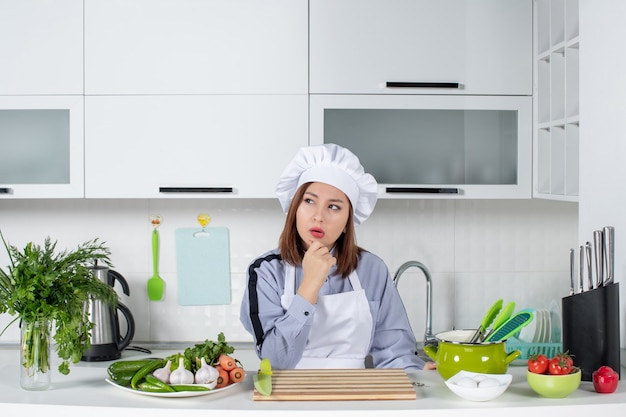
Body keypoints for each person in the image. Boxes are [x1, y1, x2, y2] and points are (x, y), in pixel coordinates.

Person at [240, 143, 436, 370]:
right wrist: (309, 286)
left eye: (333, 207)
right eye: (309, 201)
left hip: (354, 396)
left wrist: (416, 373)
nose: (318, 216)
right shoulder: (265, 271)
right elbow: (275, 361)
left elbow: (394, 352)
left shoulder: (372, 269)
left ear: (347, 222)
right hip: (288, 396)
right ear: (295, 208)